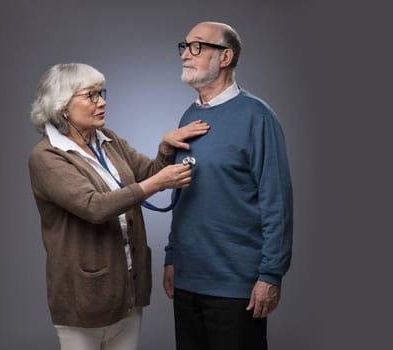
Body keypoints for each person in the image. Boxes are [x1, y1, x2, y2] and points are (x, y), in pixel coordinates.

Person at [28, 63, 210, 350]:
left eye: (102, 93)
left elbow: (149, 172)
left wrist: (165, 148)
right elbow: (94, 207)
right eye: (91, 96)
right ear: (62, 106)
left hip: (127, 289)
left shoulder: (108, 140)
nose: (102, 102)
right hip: (83, 298)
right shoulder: (47, 156)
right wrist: (157, 184)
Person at [163, 21, 293, 350]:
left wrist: (271, 274)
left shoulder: (258, 117)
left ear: (225, 57)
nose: (185, 55)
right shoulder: (187, 118)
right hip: (187, 281)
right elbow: (183, 195)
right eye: (185, 46)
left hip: (237, 287)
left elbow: (276, 201)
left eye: (197, 47)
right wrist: (171, 257)